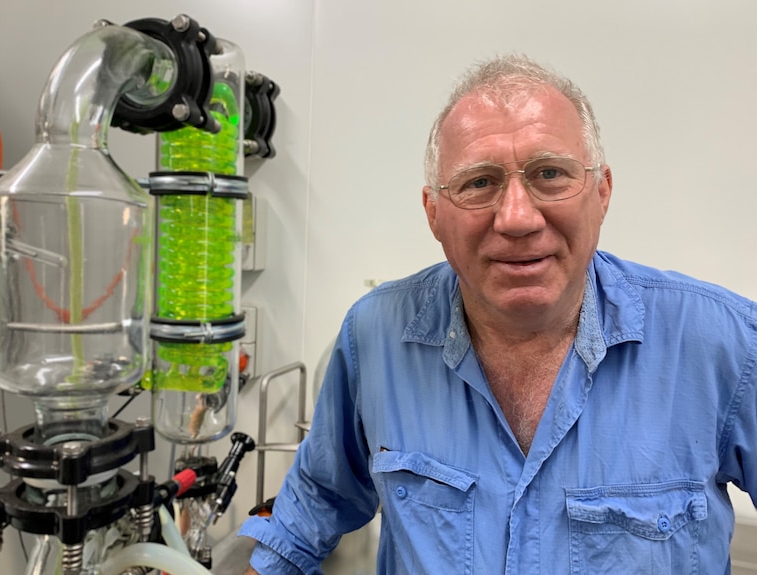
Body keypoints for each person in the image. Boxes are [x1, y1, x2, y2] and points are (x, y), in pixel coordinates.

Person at [238, 54, 757, 574]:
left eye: (550, 174)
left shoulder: (724, 346)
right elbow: (317, 502)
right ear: (433, 213)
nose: (516, 218)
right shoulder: (375, 337)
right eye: (478, 182)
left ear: (602, 193)